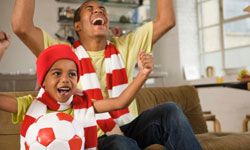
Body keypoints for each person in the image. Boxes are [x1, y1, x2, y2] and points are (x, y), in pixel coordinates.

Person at [12, 0, 202, 149]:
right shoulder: (64, 56)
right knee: (121, 144)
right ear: (77, 26)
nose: (98, 10)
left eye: (102, 8)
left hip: (129, 125)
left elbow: (166, 20)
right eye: (90, 8)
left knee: (170, 111)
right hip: (94, 134)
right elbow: (21, 26)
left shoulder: (125, 45)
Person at [0, 44, 153, 149]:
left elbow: (120, 102)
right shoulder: (30, 105)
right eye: (57, 73)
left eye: (72, 74)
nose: (65, 79)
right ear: (43, 82)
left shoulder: (83, 104)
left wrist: (143, 74)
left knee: (119, 143)